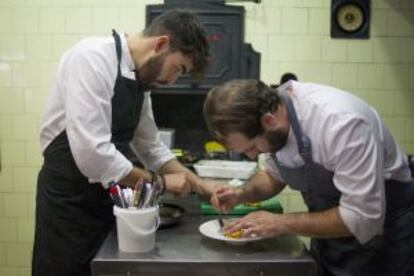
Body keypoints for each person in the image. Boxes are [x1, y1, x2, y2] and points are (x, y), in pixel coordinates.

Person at [32, 10, 210, 276]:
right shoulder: (92, 58)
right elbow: (94, 155)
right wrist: (160, 183)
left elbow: (150, 146)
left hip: (111, 202)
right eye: (178, 69)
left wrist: (200, 185)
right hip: (69, 203)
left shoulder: (140, 81)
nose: (173, 80)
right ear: (161, 44)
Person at [204, 79, 414, 276]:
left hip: (385, 236)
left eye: (252, 147)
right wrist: (241, 194)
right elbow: (272, 175)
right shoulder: (276, 120)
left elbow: (362, 217)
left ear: (268, 121)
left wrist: (281, 223)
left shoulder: (341, 123)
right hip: (331, 236)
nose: (251, 156)